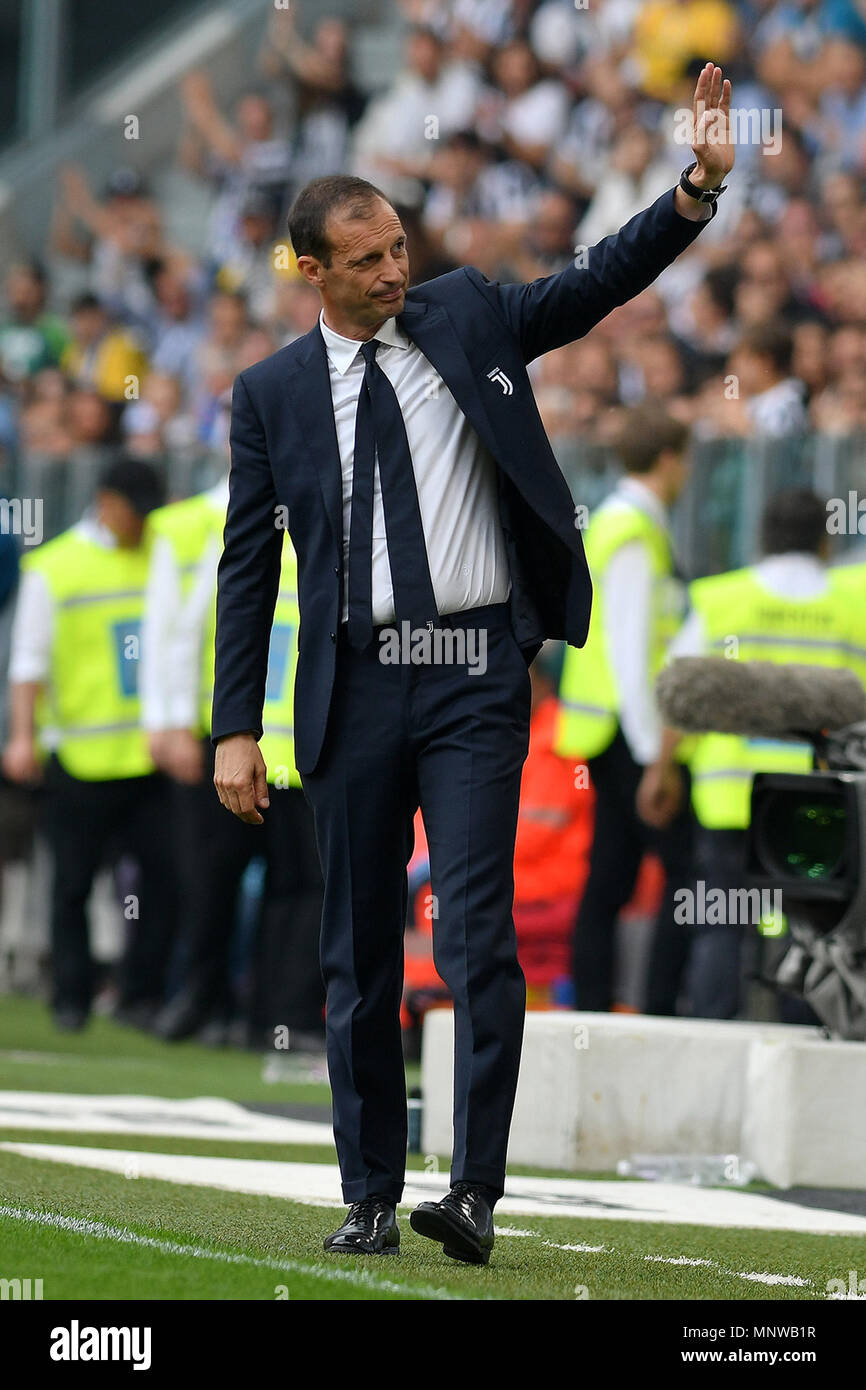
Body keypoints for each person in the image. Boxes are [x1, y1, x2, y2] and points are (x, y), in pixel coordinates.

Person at [212, 64, 733, 1265]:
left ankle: (475, 1191)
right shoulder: (269, 396)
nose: (396, 270)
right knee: (356, 954)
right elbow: (248, 569)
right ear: (311, 274)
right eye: (367, 260)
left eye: (399, 245)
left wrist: (694, 187)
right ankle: (368, 1193)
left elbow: (594, 283)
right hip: (347, 684)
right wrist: (234, 722)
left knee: (475, 930)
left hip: (472, 675)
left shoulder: (467, 312)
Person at [637, 488, 866, 1020]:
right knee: (812, 930)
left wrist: (660, 768)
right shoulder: (853, 604)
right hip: (822, 804)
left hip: (732, 796)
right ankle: (805, 1037)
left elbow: (679, 690)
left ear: (763, 538)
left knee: (721, 921)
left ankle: (714, 1033)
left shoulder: (724, 598)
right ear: (824, 541)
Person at [141, 480, 324, 1048]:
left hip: (300, 748)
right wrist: (169, 720)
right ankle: (203, 1002)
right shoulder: (199, 524)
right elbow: (176, 630)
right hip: (226, 740)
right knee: (210, 879)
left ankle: (278, 1019)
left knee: (300, 888)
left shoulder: (320, 510)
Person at [1, 458, 177, 1031]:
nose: (142, 525)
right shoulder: (55, 567)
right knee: (72, 884)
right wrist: (23, 736)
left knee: (160, 878)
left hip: (146, 756)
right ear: (106, 503)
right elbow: (28, 661)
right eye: (135, 513)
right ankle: (71, 999)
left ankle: (140, 996)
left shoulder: (158, 556)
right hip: (78, 757)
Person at [554, 404, 695, 1015]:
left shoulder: (619, 522)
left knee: (609, 877)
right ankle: (657, 1008)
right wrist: (652, 759)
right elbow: (634, 652)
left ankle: (595, 1008)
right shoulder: (634, 531)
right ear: (668, 460)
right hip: (627, 733)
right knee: (683, 873)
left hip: (608, 729)